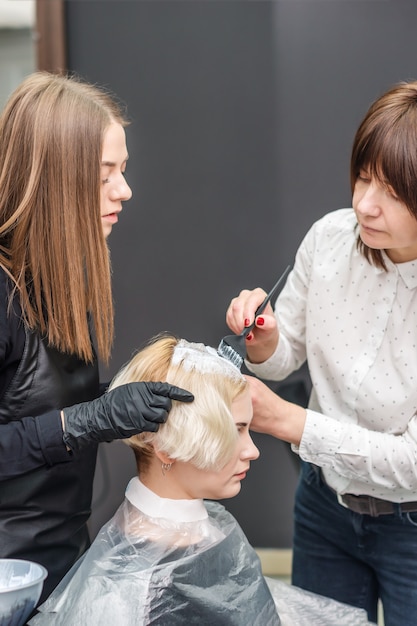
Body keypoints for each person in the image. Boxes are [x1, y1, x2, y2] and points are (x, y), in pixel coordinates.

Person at [224, 79, 417, 626]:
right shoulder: (330, 238)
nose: (364, 204)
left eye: (393, 191)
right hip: (323, 506)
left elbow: (412, 461)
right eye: (362, 176)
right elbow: (285, 357)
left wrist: (289, 421)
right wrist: (263, 339)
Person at [0, 71, 193, 603]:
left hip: (55, 561)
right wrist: (90, 419)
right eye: (105, 173)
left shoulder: (61, 274)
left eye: (123, 170)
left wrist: (129, 401)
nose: (124, 190)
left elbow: (33, 405)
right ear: (53, 175)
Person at [29, 334, 372, 625]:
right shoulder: (132, 587)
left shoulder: (210, 534)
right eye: (236, 431)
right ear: (166, 446)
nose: (253, 451)